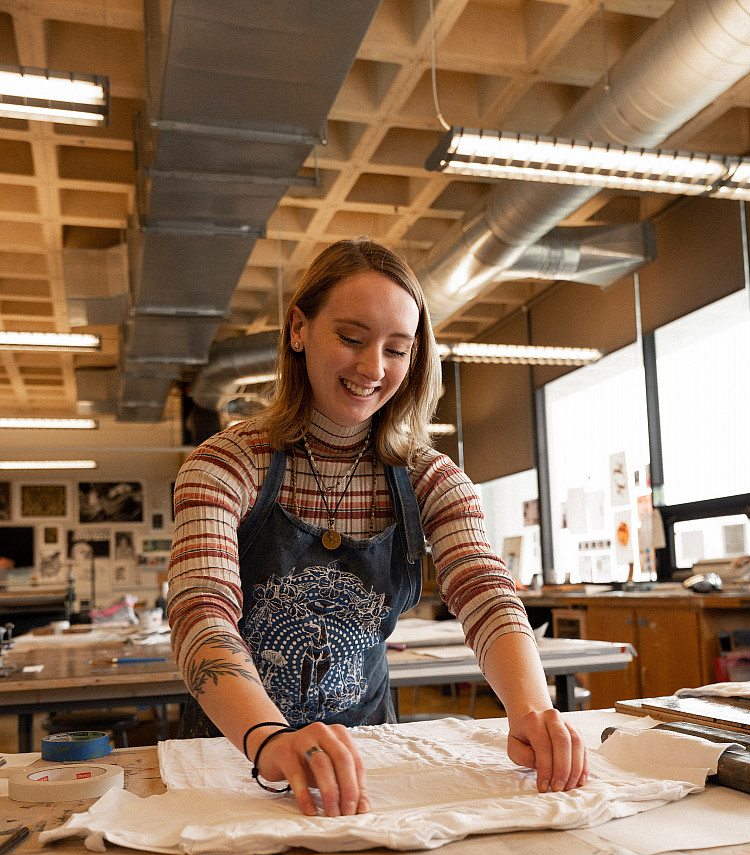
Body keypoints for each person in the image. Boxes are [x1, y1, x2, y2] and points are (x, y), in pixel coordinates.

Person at [168, 238, 588, 818]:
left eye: (397, 349)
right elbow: (201, 611)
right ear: (297, 329)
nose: (372, 369)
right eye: (350, 338)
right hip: (229, 758)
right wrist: (269, 740)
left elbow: (488, 596)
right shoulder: (227, 463)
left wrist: (533, 712)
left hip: (369, 763)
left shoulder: (430, 479)